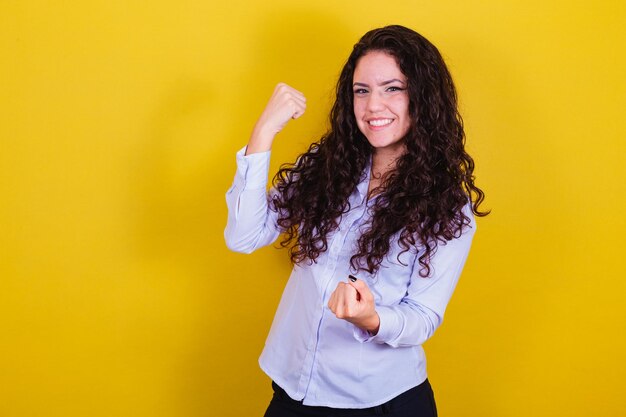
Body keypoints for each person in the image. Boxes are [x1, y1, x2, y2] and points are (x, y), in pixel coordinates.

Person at [225, 25, 488, 417]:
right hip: (291, 388)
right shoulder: (325, 167)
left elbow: (423, 317)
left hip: (380, 402)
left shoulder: (448, 207)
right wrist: (263, 133)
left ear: (424, 97)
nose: (372, 106)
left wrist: (372, 318)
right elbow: (244, 236)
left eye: (392, 88)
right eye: (361, 91)